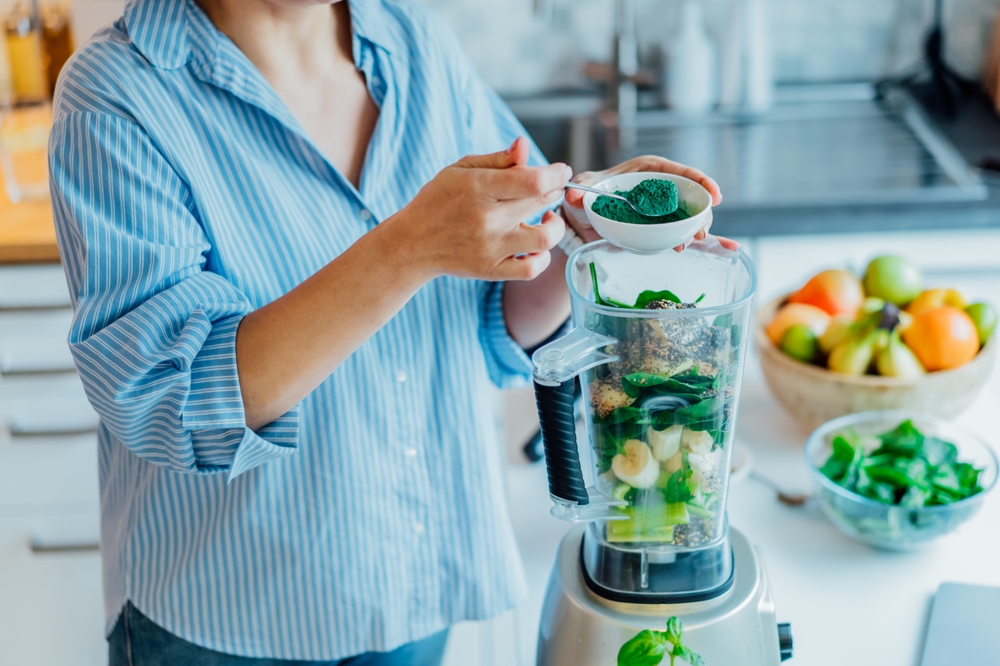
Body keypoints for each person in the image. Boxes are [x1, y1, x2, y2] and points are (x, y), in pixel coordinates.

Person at [47, 0, 726, 664]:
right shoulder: (114, 94)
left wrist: (580, 239)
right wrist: (405, 249)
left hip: (414, 584)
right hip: (229, 622)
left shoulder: (412, 38)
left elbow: (493, 321)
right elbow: (171, 397)